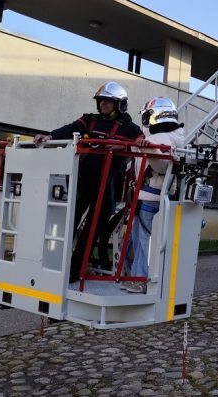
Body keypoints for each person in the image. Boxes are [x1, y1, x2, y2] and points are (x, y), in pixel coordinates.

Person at [34, 81, 144, 283]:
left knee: (90, 231)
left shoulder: (128, 127)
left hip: (108, 186)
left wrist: (131, 145)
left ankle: (76, 270)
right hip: (83, 181)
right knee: (68, 222)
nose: (103, 105)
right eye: (101, 101)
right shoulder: (89, 120)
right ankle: (55, 264)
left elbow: (140, 140)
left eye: (108, 102)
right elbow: (70, 129)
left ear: (119, 105)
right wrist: (49, 136)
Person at [122, 97, 184, 293]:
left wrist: (147, 147)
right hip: (154, 198)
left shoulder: (160, 139)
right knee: (142, 242)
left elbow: (162, 165)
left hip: (148, 199)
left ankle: (140, 279)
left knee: (144, 243)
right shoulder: (177, 136)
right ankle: (135, 276)